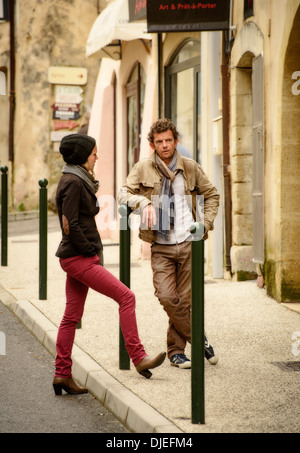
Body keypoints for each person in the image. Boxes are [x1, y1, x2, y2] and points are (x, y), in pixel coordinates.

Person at [53, 133, 166, 395]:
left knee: (71, 317)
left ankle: (61, 375)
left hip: (75, 257)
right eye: (93, 153)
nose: (96, 157)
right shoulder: (72, 182)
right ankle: (139, 358)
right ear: (82, 156)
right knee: (126, 297)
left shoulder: (76, 179)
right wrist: (89, 250)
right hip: (79, 258)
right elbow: (69, 224)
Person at [118, 119, 220, 369]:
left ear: (176, 141)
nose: (164, 146)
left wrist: (204, 225)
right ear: (152, 143)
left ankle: (176, 352)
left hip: (188, 242)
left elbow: (212, 195)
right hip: (160, 244)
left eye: (168, 140)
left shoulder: (190, 167)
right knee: (166, 295)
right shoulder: (142, 168)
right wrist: (144, 203)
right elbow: (123, 194)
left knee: (184, 300)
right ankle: (199, 338)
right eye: (159, 141)